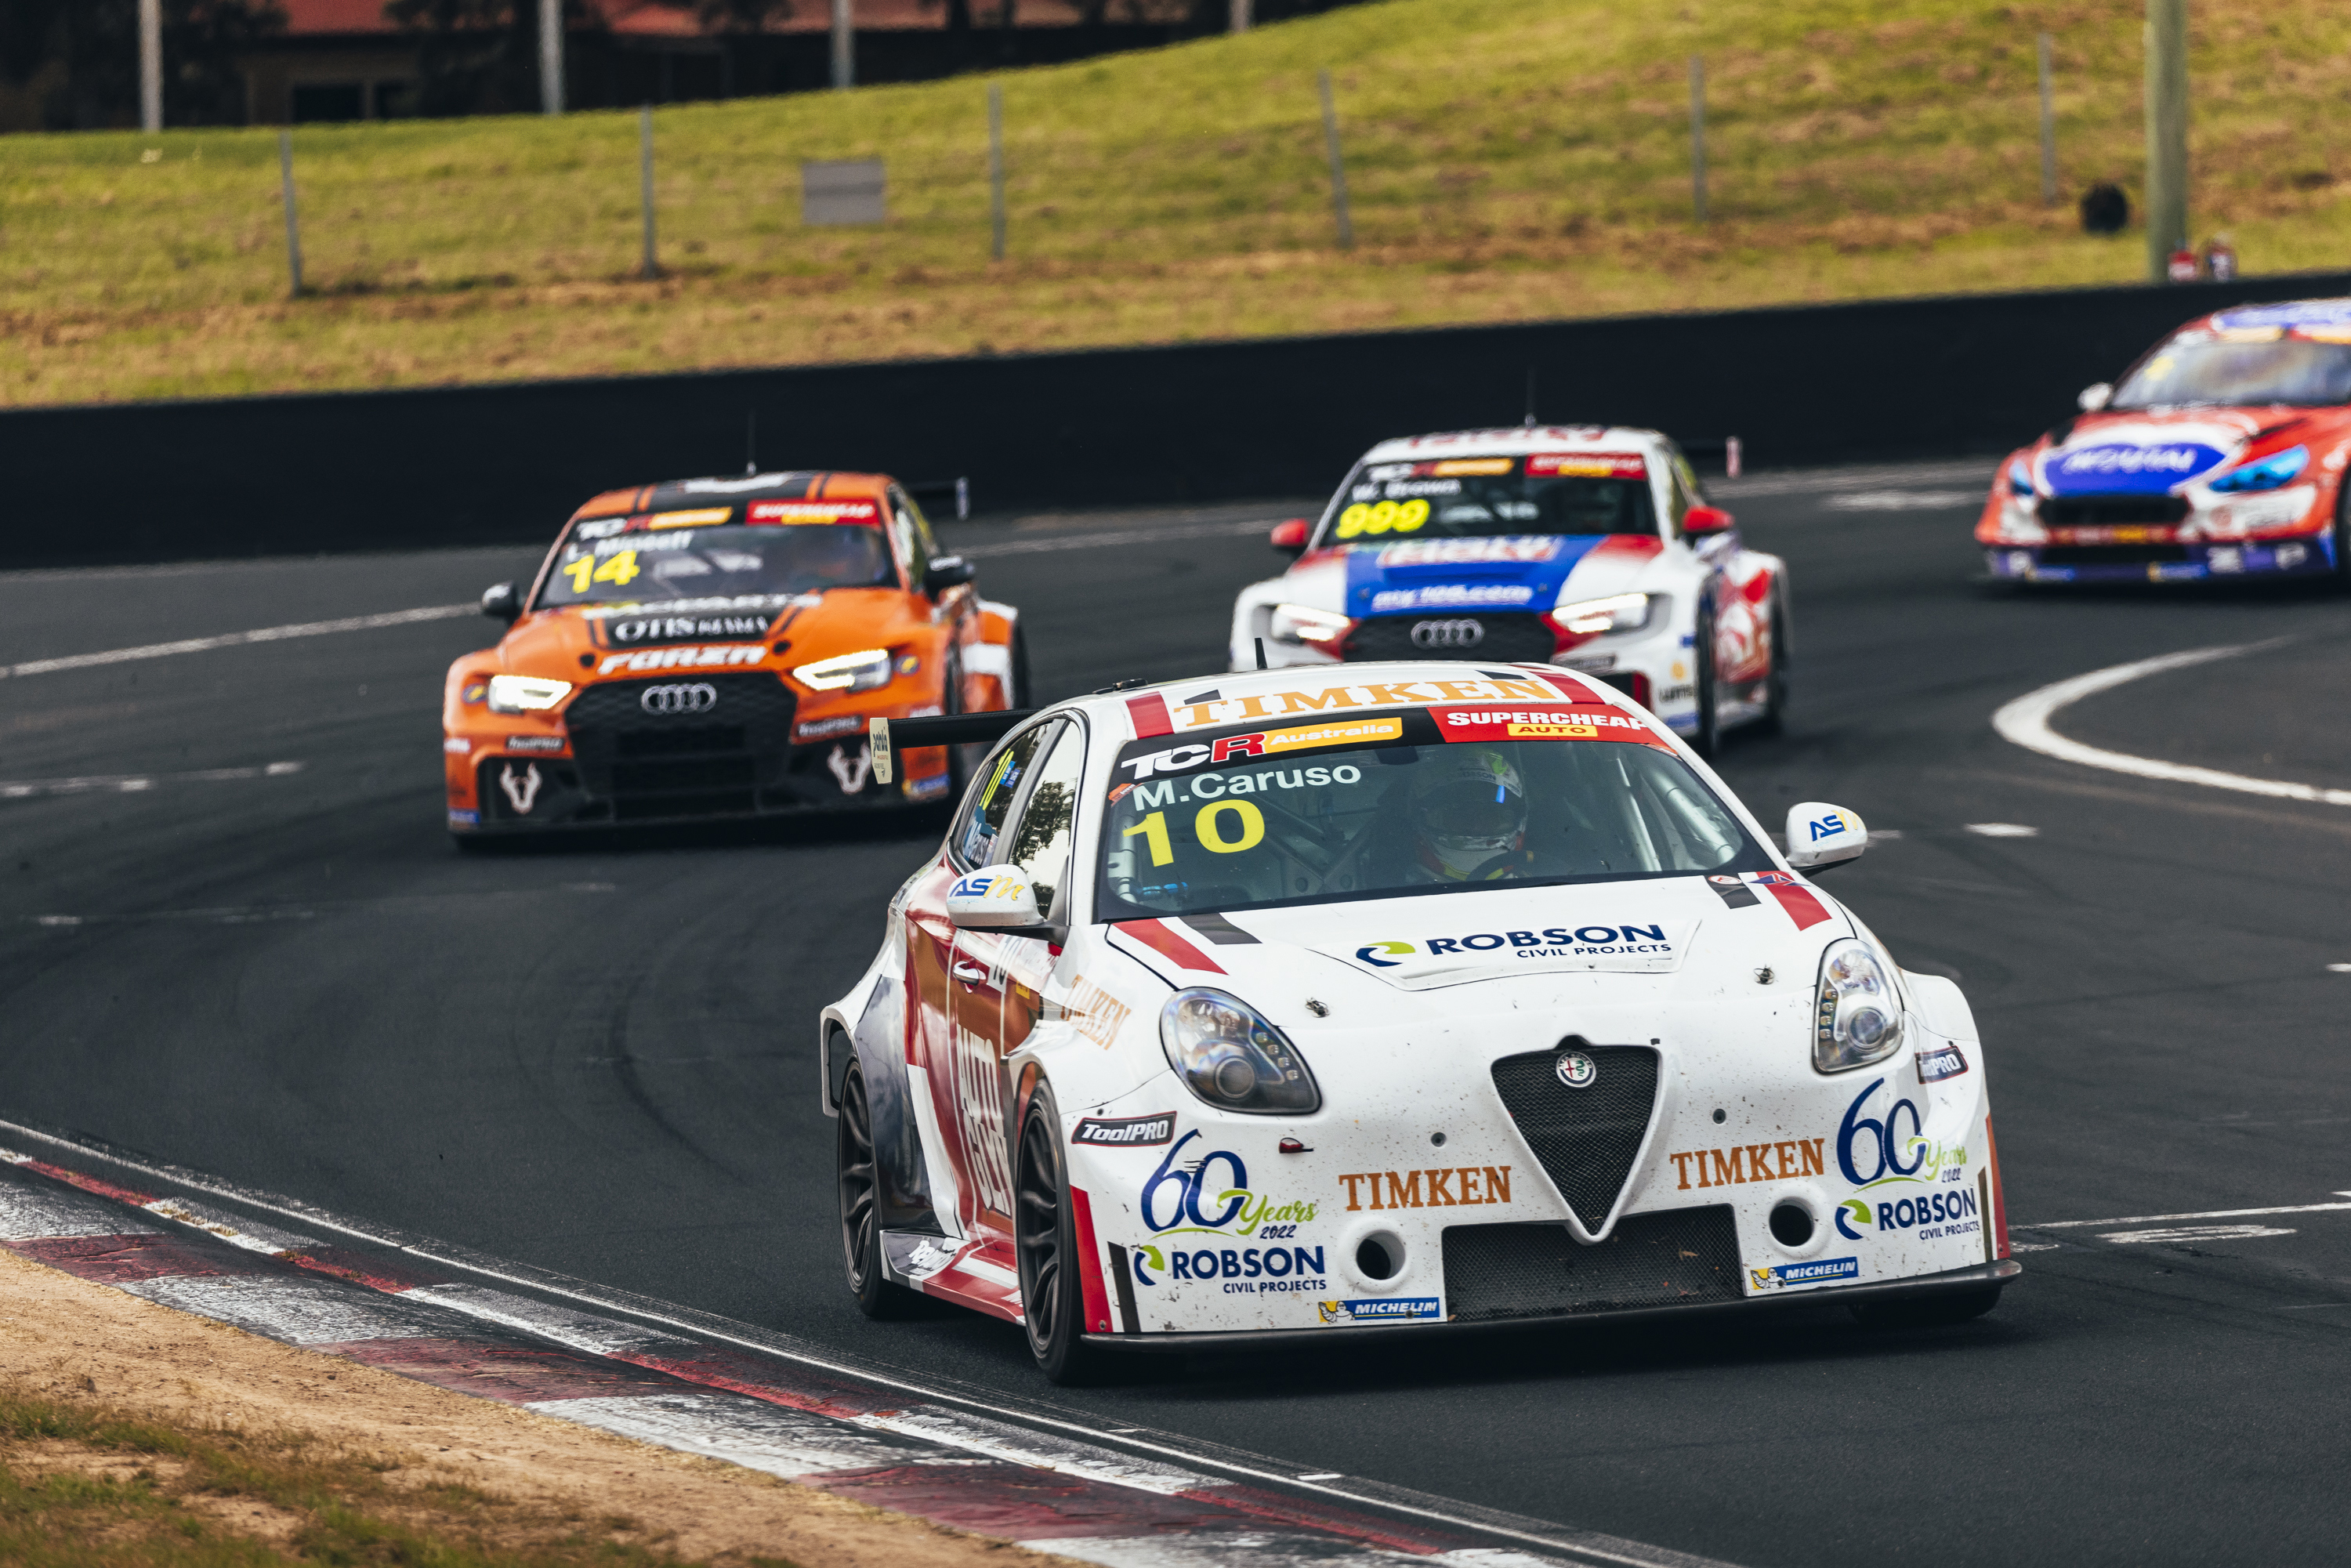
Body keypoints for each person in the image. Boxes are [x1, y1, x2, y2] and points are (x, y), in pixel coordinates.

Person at [1406, 746, 1536, 882]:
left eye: (1490, 815)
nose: (1476, 826)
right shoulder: (1396, 888)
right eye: (1460, 815)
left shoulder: (1539, 882)